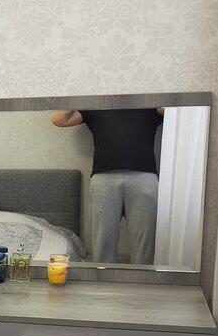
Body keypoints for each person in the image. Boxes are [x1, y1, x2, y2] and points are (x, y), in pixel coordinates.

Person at [51, 107, 163, 265]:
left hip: (144, 178)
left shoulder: (149, 104)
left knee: (146, 246)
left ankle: (143, 281)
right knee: (103, 244)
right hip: (104, 178)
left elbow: (178, 111)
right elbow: (59, 119)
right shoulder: (97, 104)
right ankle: (103, 280)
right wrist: (83, 97)